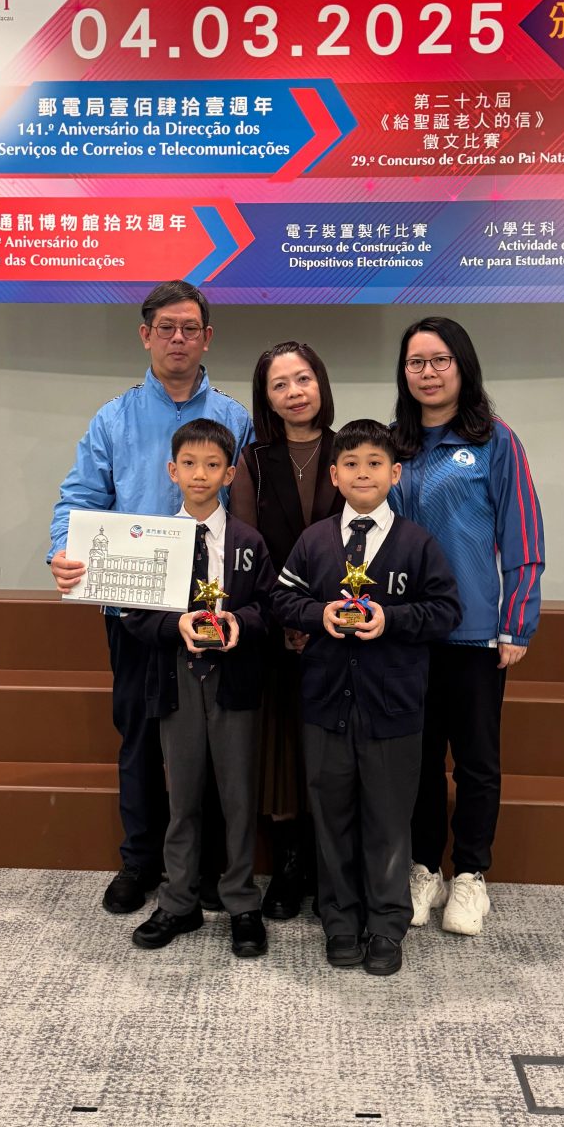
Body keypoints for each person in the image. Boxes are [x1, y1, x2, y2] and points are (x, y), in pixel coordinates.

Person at [48, 281, 253, 916]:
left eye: (190, 328)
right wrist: (62, 552)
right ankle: (139, 861)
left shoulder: (236, 418)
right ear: (146, 335)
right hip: (136, 608)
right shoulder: (113, 418)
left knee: (215, 741)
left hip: (216, 609)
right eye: (166, 328)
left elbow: (250, 509)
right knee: (140, 735)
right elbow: (79, 498)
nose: (177, 339)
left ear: (207, 338)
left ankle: (208, 869)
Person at [272, 419, 461, 977]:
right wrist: (319, 614)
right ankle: (339, 919)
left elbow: (446, 610)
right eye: (350, 464)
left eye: (375, 464)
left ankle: (385, 924)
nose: (362, 473)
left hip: (393, 709)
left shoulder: (417, 543)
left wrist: (392, 619)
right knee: (331, 816)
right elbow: (283, 600)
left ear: (395, 474)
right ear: (334, 475)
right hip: (325, 705)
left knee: (388, 819)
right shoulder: (314, 541)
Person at [390, 317, 545, 938]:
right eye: (416, 363)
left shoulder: (495, 440)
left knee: (476, 760)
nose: (427, 373)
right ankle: (424, 867)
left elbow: (522, 534)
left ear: (462, 365)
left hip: (475, 633)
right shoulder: (395, 444)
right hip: (408, 632)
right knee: (419, 759)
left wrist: (517, 623)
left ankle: (472, 874)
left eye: (440, 360)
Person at [123, 420, 276, 959]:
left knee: (237, 798)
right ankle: (179, 900)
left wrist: (239, 623)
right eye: (189, 464)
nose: (200, 474)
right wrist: (176, 625)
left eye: (213, 465)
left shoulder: (249, 542)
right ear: (172, 471)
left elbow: (269, 607)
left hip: (234, 685)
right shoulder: (153, 540)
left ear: (229, 475)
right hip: (177, 681)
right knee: (182, 796)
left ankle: (241, 902)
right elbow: (135, 615)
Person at [229, 341, 341, 919]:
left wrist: (321, 617)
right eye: (280, 384)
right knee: (284, 746)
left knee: (333, 746)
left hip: (343, 625)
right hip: (276, 626)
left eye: (303, 379)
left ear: (321, 383)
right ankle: (292, 862)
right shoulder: (252, 461)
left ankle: (331, 866)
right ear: (266, 398)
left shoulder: (351, 448)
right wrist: (289, 617)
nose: (294, 392)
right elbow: (249, 547)